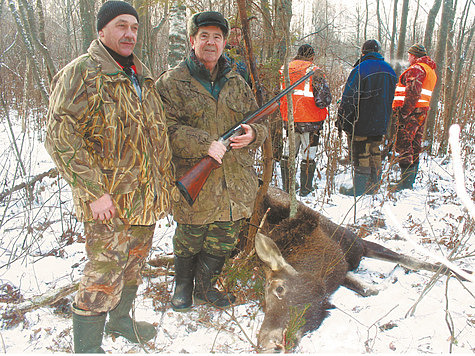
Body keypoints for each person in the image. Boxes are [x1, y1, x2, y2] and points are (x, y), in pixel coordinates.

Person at [44, 1, 175, 352]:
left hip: (144, 199)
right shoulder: (83, 73)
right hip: (108, 202)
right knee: (104, 270)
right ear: (101, 31)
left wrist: (163, 189)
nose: (129, 33)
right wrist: (93, 191)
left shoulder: (141, 74)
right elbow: (60, 137)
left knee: (134, 262)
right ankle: (86, 347)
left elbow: (153, 134)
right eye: (121, 26)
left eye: (134, 27)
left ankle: (119, 322)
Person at [156, 11, 267, 312]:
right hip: (196, 179)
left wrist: (253, 134)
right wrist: (206, 145)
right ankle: (182, 286)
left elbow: (260, 121)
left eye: (217, 37)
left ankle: (206, 286)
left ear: (224, 44)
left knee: (223, 238)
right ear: (192, 40)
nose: (210, 42)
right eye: (204, 35)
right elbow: (165, 130)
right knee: (189, 236)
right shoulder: (171, 82)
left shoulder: (237, 82)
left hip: (234, 182)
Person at [337, 39, 397, 196]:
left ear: (363, 52)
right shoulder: (390, 70)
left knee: (361, 152)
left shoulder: (360, 69)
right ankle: (374, 185)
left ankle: (359, 189)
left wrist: (344, 119)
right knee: (375, 150)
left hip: (361, 120)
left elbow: (349, 97)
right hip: (382, 119)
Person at [279, 44, 332, 197]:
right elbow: (322, 100)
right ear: (312, 56)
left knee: (288, 153)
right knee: (308, 156)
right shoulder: (314, 71)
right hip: (311, 121)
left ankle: (287, 187)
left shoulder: (285, 69)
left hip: (290, 119)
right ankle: (305, 189)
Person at [391, 43, 437, 191]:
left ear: (414, 56)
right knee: (415, 145)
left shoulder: (417, 69)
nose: (408, 57)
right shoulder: (429, 70)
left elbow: (413, 92)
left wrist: (404, 111)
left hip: (412, 111)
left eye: (410, 55)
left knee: (404, 144)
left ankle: (404, 183)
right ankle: (409, 182)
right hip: (421, 111)